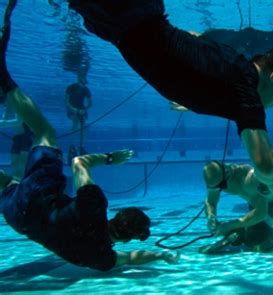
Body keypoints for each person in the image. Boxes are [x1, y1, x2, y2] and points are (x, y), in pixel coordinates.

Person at [0, 0, 179, 271]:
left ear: (118, 216)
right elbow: (129, 259)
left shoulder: (93, 207)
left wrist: (111, 158)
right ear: (126, 237)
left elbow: (79, 163)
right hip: (20, 218)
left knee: (45, 132)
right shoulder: (100, 258)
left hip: (39, 199)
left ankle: (4, 78)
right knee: (11, 184)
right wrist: (161, 256)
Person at [68, 0, 273, 195]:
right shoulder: (246, 91)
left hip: (123, 21)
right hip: (126, 15)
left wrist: (192, 100)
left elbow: (194, 42)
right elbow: (268, 167)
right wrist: (269, 186)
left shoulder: (235, 66)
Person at [199, 161, 273, 254]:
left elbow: (261, 213)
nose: (218, 189)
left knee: (253, 239)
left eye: (221, 186)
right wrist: (211, 216)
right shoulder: (218, 179)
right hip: (255, 204)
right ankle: (258, 228)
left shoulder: (250, 179)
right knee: (232, 228)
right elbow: (211, 201)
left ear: (227, 172)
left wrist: (231, 225)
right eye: (214, 187)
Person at [65, 74, 91, 155]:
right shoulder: (71, 87)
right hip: (73, 109)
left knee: (83, 127)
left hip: (81, 109)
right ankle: (71, 147)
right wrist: (74, 110)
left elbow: (90, 103)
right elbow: (66, 102)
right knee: (75, 124)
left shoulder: (86, 89)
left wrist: (84, 110)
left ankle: (81, 147)